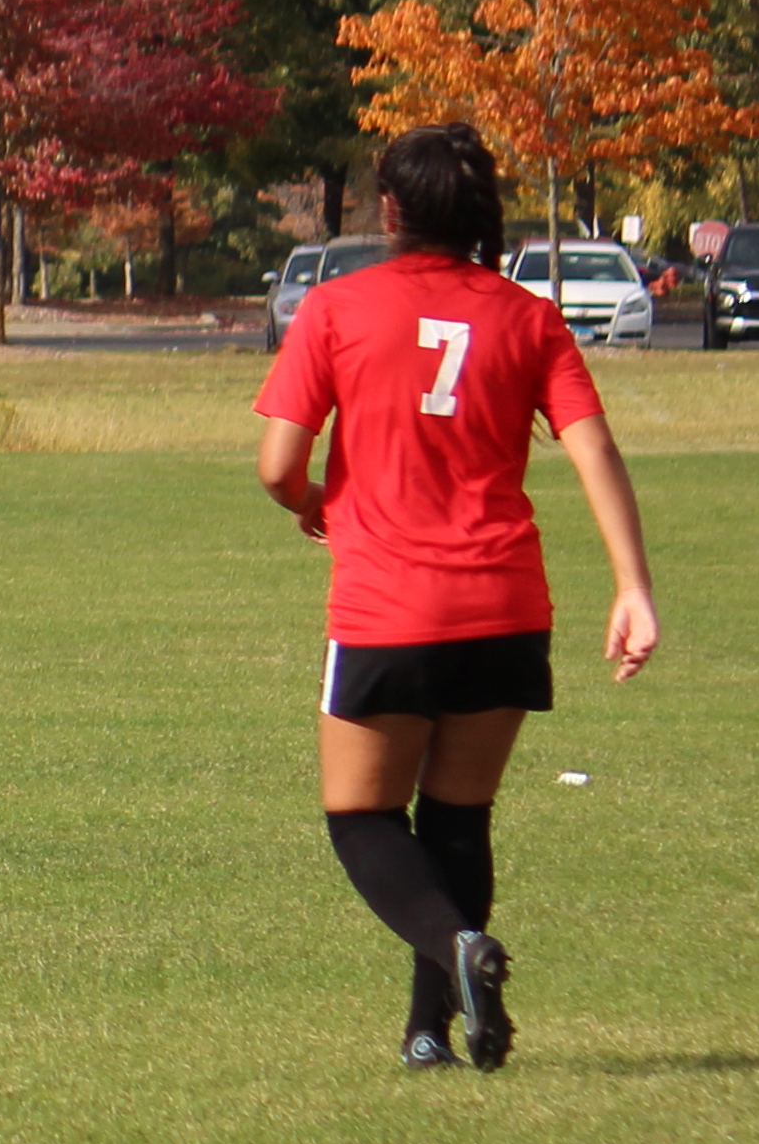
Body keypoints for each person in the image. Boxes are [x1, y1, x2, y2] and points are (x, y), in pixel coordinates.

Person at [253, 120, 661, 1068]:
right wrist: (633, 586)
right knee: (458, 818)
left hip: (390, 607)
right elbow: (593, 447)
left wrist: (315, 501)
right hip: (506, 608)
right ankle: (430, 1031)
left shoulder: (339, 308)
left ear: (390, 209)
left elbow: (277, 465)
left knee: (360, 820)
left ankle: (458, 952)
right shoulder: (529, 317)